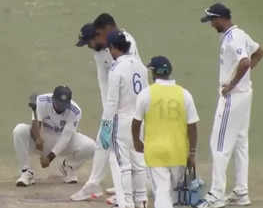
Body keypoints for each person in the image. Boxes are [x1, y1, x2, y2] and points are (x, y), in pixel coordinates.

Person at [195, 3, 263, 208]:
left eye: (212, 20)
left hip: (233, 98)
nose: (211, 24)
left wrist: (232, 84)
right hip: (245, 96)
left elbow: (244, 62)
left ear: (222, 18)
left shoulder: (233, 38)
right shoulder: (240, 34)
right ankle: (241, 192)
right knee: (241, 143)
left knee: (219, 145)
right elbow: (260, 52)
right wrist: (243, 79)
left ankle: (216, 195)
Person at [132, 56, 200, 208]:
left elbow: (136, 122)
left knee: (162, 193)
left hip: (155, 153)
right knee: (175, 195)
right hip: (178, 152)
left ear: (153, 73)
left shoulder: (146, 94)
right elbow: (192, 126)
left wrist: (137, 141)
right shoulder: (185, 94)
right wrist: (192, 153)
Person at [99, 31, 149, 208]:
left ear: (113, 47)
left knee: (124, 165)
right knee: (139, 162)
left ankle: (127, 203)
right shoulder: (141, 66)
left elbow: (112, 102)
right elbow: (146, 95)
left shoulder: (116, 68)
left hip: (122, 121)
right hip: (139, 120)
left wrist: (106, 126)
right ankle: (141, 201)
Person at [71, 23, 119, 204]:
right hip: (111, 110)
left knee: (119, 149)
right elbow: (105, 84)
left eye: (89, 42)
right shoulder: (99, 54)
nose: (88, 46)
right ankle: (96, 184)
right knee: (104, 144)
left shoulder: (119, 48)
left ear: (98, 36)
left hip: (124, 110)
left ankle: (126, 189)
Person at [13, 86, 96, 187]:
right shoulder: (41, 101)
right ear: (53, 99)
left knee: (91, 147)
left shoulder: (75, 111)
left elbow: (66, 137)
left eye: (64, 104)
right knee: (19, 130)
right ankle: (26, 172)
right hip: (44, 137)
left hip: (64, 141)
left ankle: (68, 166)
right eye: (58, 103)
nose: (61, 107)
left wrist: (49, 158)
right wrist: (37, 138)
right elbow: (35, 125)